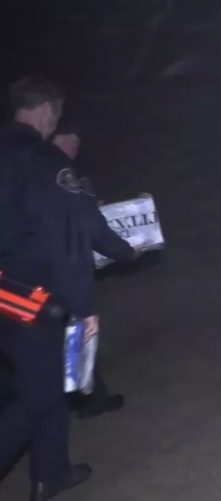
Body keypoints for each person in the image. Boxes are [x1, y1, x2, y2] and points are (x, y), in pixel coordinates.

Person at [0, 76, 132, 500]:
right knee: (39, 395)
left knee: (48, 380)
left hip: (3, 293)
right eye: (54, 114)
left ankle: (51, 471)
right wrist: (85, 300)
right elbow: (75, 231)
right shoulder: (40, 160)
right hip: (33, 296)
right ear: (47, 111)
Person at [49, 117, 134, 420]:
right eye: (71, 139)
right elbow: (90, 225)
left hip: (37, 273)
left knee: (76, 335)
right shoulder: (62, 174)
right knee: (74, 334)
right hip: (65, 274)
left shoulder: (34, 172)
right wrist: (123, 250)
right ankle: (81, 400)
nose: (76, 146)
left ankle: (91, 397)